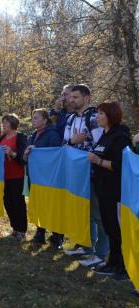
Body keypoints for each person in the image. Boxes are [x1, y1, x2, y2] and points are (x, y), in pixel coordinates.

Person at [62, 84, 109, 268]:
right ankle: (85, 246)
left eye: (76, 97)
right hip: (76, 173)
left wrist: (81, 142)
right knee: (84, 212)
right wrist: (73, 141)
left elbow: (101, 144)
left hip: (94, 174)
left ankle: (101, 253)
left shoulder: (94, 117)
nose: (71, 100)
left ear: (87, 98)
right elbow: (65, 142)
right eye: (70, 97)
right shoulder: (71, 118)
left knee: (99, 214)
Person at [88, 101, 131, 278]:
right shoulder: (104, 135)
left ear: (111, 116)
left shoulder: (120, 137)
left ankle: (122, 267)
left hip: (115, 191)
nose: (97, 116)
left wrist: (98, 162)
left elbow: (121, 166)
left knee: (115, 228)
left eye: (101, 114)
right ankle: (112, 262)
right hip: (102, 189)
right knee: (108, 227)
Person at [24, 108, 64, 249]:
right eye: (33, 117)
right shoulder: (33, 134)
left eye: (36, 117)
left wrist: (38, 151)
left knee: (52, 206)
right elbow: (25, 156)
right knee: (39, 205)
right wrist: (27, 153)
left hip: (49, 179)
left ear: (45, 120)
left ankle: (57, 236)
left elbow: (55, 154)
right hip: (35, 177)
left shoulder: (52, 134)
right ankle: (40, 233)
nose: (33, 120)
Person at [0, 114, 27, 240]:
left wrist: (11, 153)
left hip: (17, 176)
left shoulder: (21, 137)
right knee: (7, 202)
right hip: (4, 176)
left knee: (18, 203)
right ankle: (15, 228)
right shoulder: (1, 137)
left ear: (13, 123)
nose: (3, 124)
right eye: (3, 122)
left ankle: (22, 230)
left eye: (6, 122)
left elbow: (23, 158)